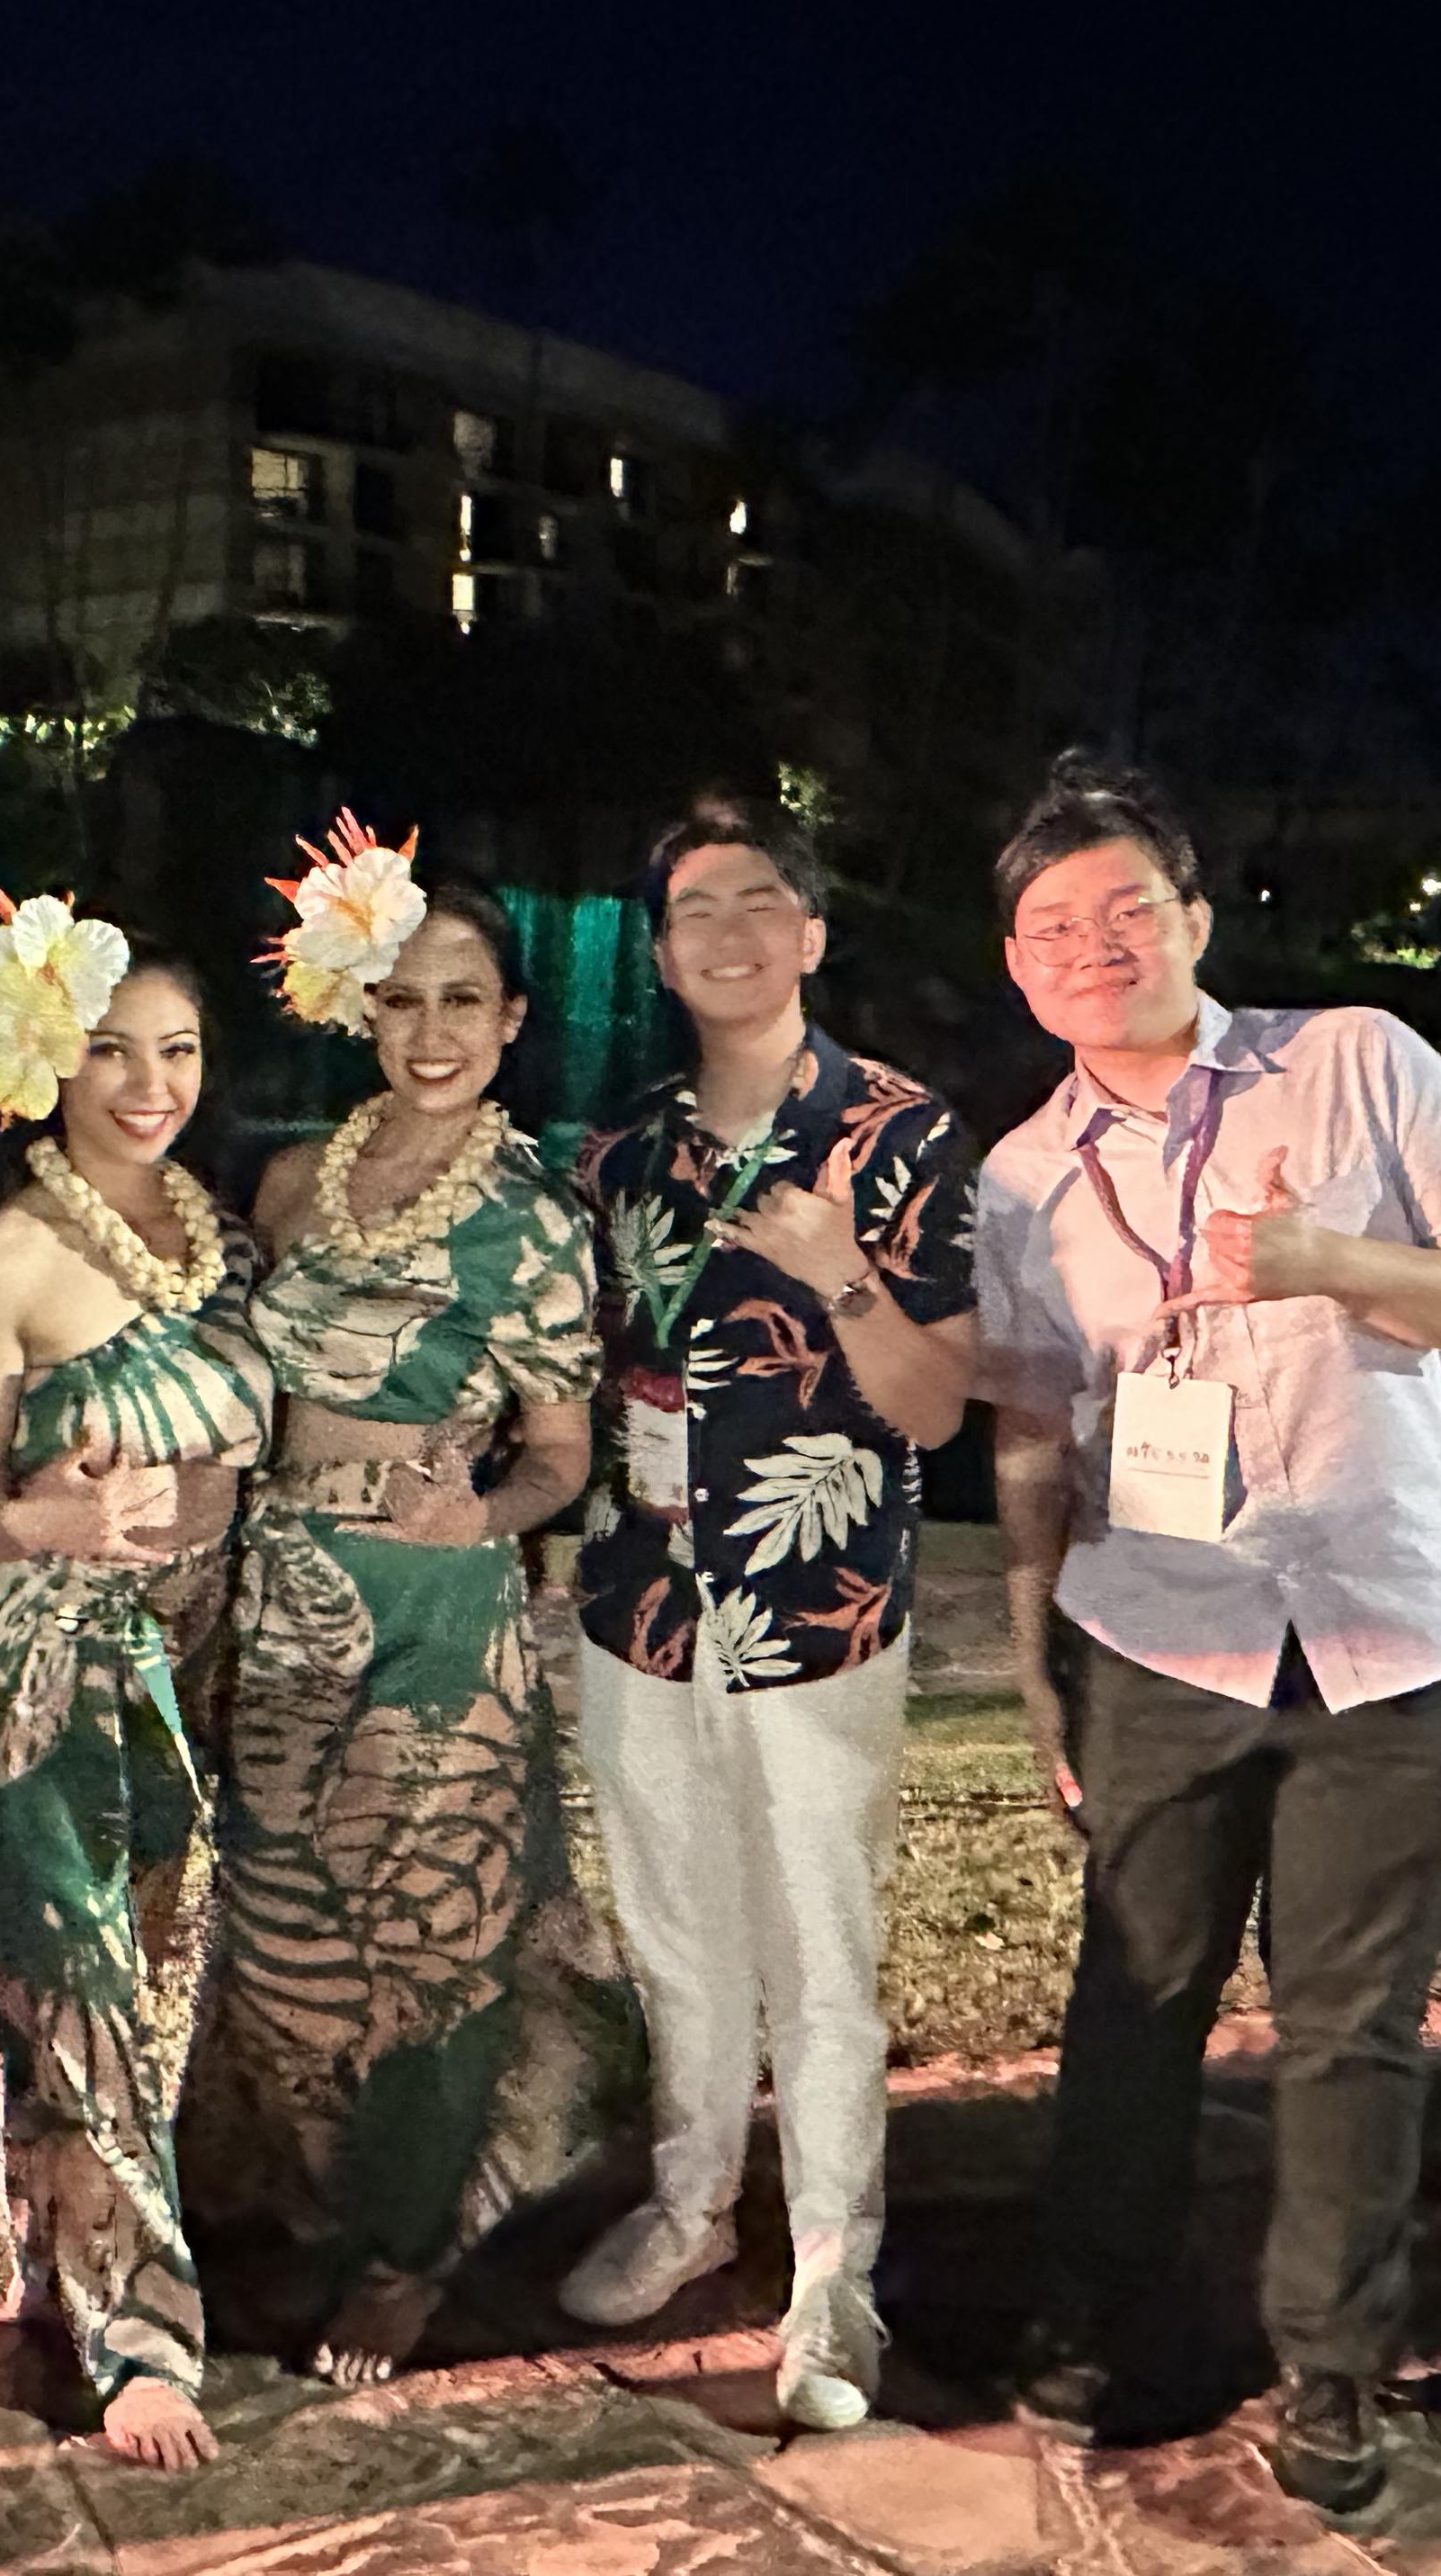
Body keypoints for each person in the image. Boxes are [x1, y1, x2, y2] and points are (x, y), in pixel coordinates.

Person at [970, 759, 1441, 2518]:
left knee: (1351, 2029)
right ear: (1017, 965)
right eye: (1053, 926)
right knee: (1135, 2003)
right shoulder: (1021, 1177)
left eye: (1127, 909)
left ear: (1197, 922)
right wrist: (1032, 1652)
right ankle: (1095, 2320)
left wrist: (1328, 1260)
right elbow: (1031, 1428)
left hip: (1393, 1638)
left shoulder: (1358, 1060)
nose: (1094, 945)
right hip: (1157, 1638)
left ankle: (1334, 2371)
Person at [183, 837, 641, 2387]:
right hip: (282, 1597)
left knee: (432, 1945)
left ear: (511, 1020)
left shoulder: (532, 1218)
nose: (431, 1031)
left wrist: (483, 1514)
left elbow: (562, 1456)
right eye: (402, 1000)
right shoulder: (291, 1183)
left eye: (463, 1001)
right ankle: (325, 2203)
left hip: (437, 1614)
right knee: (287, 1934)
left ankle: (404, 2258)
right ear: (359, 1011)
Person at [558, 797, 980, 2434]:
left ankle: (831, 2273)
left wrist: (840, 1273)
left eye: (757, 904)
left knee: (818, 1942)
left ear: (810, 934)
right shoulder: (620, 1154)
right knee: (674, 1926)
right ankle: (692, 2204)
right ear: (664, 959)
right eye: (694, 913)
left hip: (818, 1606)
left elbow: (935, 1408)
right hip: (639, 1601)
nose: (726, 934)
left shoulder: (901, 1135)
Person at [0, 900, 267, 2472]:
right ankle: (141, 2344)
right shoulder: (1, 1261)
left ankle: (67, 2272)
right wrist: (47, 1520)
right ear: (46, 1061)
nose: (150, 1084)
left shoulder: (225, 1245)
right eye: (113, 1050)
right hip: (56, 1665)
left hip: (199, 1659)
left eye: (178, 1050)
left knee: (138, 1994)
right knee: (89, 2000)